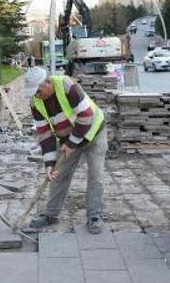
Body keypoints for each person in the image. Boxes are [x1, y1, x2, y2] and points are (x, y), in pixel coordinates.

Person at [24, 67, 108, 234]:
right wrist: (49, 163)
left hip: (94, 132)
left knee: (95, 175)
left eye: (38, 91)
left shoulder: (67, 85)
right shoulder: (36, 102)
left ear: (47, 83)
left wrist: (71, 144)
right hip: (68, 139)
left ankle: (94, 216)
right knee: (57, 174)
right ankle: (51, 215)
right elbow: (45, 134)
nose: (36, 95)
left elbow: (86, 116)